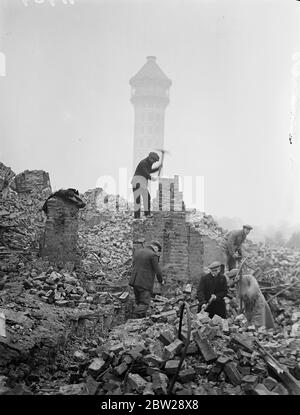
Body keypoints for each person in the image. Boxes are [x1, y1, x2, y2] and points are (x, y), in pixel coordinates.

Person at [129, 240, 163, 318]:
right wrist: (161, 280)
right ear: (155, 247)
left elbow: (134, 265)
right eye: (158, 250)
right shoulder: (152, 255)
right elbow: (158, 271)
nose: (157, 252)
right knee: (144, 304)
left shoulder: (138, 252)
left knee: (139, 302)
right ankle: (133, 318)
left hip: (135, 281)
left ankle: (140, 321)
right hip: (145, 283)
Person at [131, 152, 162, 219]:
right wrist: (151, 178)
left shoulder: (148, 163)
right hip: (137, 183)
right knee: (137, 200)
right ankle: (137, 217)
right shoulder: (143, 163)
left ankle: (147, 214)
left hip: (142, 183)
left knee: (147, 197)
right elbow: (145, 172)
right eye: (154, 161)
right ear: (150, 158)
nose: (154, 162)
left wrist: (157, 168)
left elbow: (149, 170)